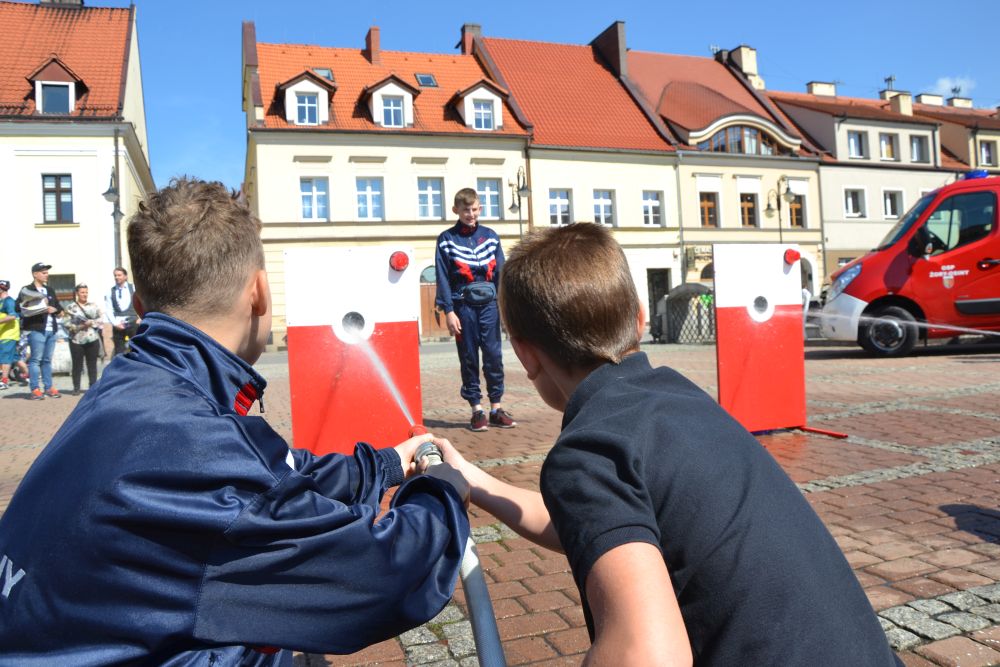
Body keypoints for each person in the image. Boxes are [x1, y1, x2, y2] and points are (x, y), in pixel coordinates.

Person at [0, 177, 471, 665]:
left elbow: (274, 479)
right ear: (260, 294)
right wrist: (443, 492)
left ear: (140, 308)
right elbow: (380, 576)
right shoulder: (191, 440)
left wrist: (389, 464)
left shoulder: (134, 385)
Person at [437, 223, 901, 666]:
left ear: (525, 354)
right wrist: (473, 480)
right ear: (640, 317)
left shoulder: (590, 448)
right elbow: (587, 524)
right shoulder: (679, 398)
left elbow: (645, 654)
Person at [434, 187, 516, 432]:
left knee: (494, 356)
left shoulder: (491, 236)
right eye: (465, 210)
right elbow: (442, 277)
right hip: (463, 307)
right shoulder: (446, 240)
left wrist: (506, 307)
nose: (470, 214)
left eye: (474, 209)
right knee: (468, 357)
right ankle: (476, 410)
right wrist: (448, 310)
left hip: (490, 306)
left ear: (480, 209)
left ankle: (496, 408)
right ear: (455, 210)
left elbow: (501, 273)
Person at [17, 262, 63, 399]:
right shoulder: (26, 289)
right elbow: (18, 307)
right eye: (43, 272)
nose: (46, 275)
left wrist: (56, 310)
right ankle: (35, 389)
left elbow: (58, 306)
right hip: (36, 329)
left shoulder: (50, 290)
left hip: (51, 329)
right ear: (35, 274)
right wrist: (40, 309)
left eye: (47, 272)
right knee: (35, 360)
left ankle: (48, 388)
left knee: (47, 360)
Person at [62, 283, 104, 396]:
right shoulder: (71, 307)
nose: (85, 294)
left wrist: (92, 323)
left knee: (92, 364)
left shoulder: (93, 305)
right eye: (82, 292)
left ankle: (93, 387)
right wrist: (80, 326)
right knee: (77, 365)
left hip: (92, 339)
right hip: (76, 340)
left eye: (86, 292)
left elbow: (101, 319)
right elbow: (65, 323)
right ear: (77, 294)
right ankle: (76, 388)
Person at [105, 265, 141, 356]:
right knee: (119, 350)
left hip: (133, 322)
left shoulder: (133, 288)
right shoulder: (110, 291)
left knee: (136, 348)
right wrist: (115, 323)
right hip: (118, 324)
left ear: (125, 276)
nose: (117, 277)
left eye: (119, 275)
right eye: (115, 275)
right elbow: (108, 309)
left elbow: (142, 302)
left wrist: (140, 317)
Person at [0, 279, 18, 390]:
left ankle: (4, 381)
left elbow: (13, 316)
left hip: (9, 334)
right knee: (12, 358)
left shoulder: (9, 301)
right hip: (3, 334)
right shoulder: (2, 301)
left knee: (5, 358)